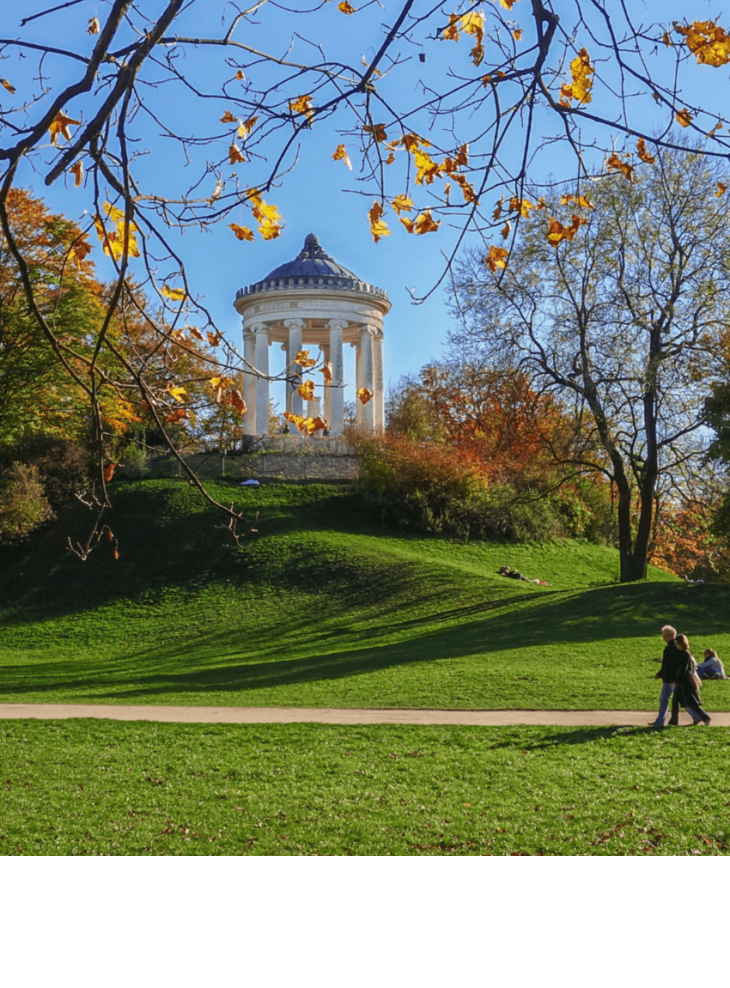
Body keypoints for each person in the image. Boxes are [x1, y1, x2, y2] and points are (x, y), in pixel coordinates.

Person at [673, 634, 711, 726]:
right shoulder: (684, 653)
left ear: (681, 643)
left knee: (691, 702)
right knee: (683, 701)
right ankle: (697, 718)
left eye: (677, 643)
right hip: (683, 681)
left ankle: (705, 717)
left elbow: (683, 669)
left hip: (685, 682)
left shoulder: (685, 654)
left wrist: (676, 679)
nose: (676, 645)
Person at [652, 624, 679, 727]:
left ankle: (699, 716)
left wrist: (662, 674)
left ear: (671, 635)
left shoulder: (672, 648)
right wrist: (660, 674)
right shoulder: (671, 647)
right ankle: (660, 721)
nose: (663, 638)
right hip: (669, 678)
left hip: (671, 679)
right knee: (665, 699)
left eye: (664, 635)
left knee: (667, 699)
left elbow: (670, 665)